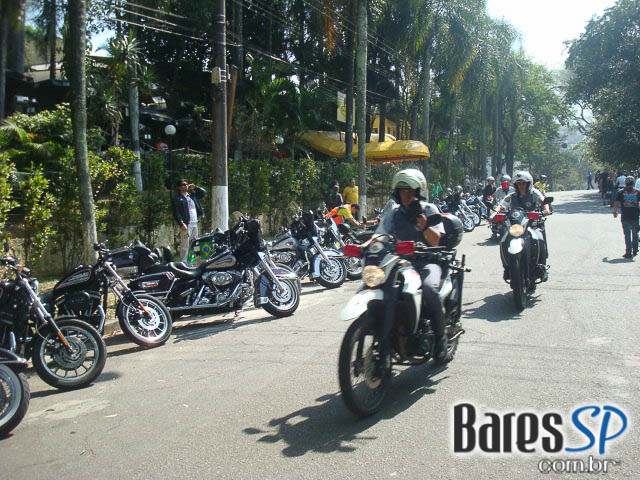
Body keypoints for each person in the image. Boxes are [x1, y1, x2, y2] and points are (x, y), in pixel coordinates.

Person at [375, 169, 448, 364]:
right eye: (402, 190)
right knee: (380, 288)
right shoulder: (393, 213)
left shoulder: (429, 209)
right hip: (400, 263)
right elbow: (380, 235)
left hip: (427, 262)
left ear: (418, 191)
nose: (406, 195)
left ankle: (441, 338)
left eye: (409, 190)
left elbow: (436, 240)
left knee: (429, 290)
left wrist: (424, 226)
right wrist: (365, 245)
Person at [495, 171, 551, 286]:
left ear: (528, 184)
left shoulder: (534, 193)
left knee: (539, 238)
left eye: (524, 183)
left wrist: (546, 209)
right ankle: (507, 267)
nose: (521, 186)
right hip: (516, 225)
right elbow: (502, 205)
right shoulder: (512, 196)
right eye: (519, 183)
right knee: (503, 241)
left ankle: (542, 267)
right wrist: (495, 212)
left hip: (532, 224)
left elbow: (542, 200)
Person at [172, 179, 206, 262]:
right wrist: (181, 223)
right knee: (185, 244)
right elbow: (176, 212)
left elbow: (203, 193)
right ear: (179, 187)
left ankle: (195, 261)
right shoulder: (177, 198)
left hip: (195, 223)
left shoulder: (192, 196)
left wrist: (195, 187)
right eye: (183, 184)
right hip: (187, 224)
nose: (186, 185)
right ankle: (183, 262)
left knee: (196, 243)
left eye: (187, 184)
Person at [613, 176, 639, 258]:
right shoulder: (637, 192)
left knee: (627, 234)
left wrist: (615, 211)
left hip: (625, 216)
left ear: (625, 183)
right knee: (635, 233)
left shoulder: (621, 192)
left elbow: (616, 203)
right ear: (633, 183)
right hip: (635, 215)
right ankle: (635, 250)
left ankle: (628, 252)